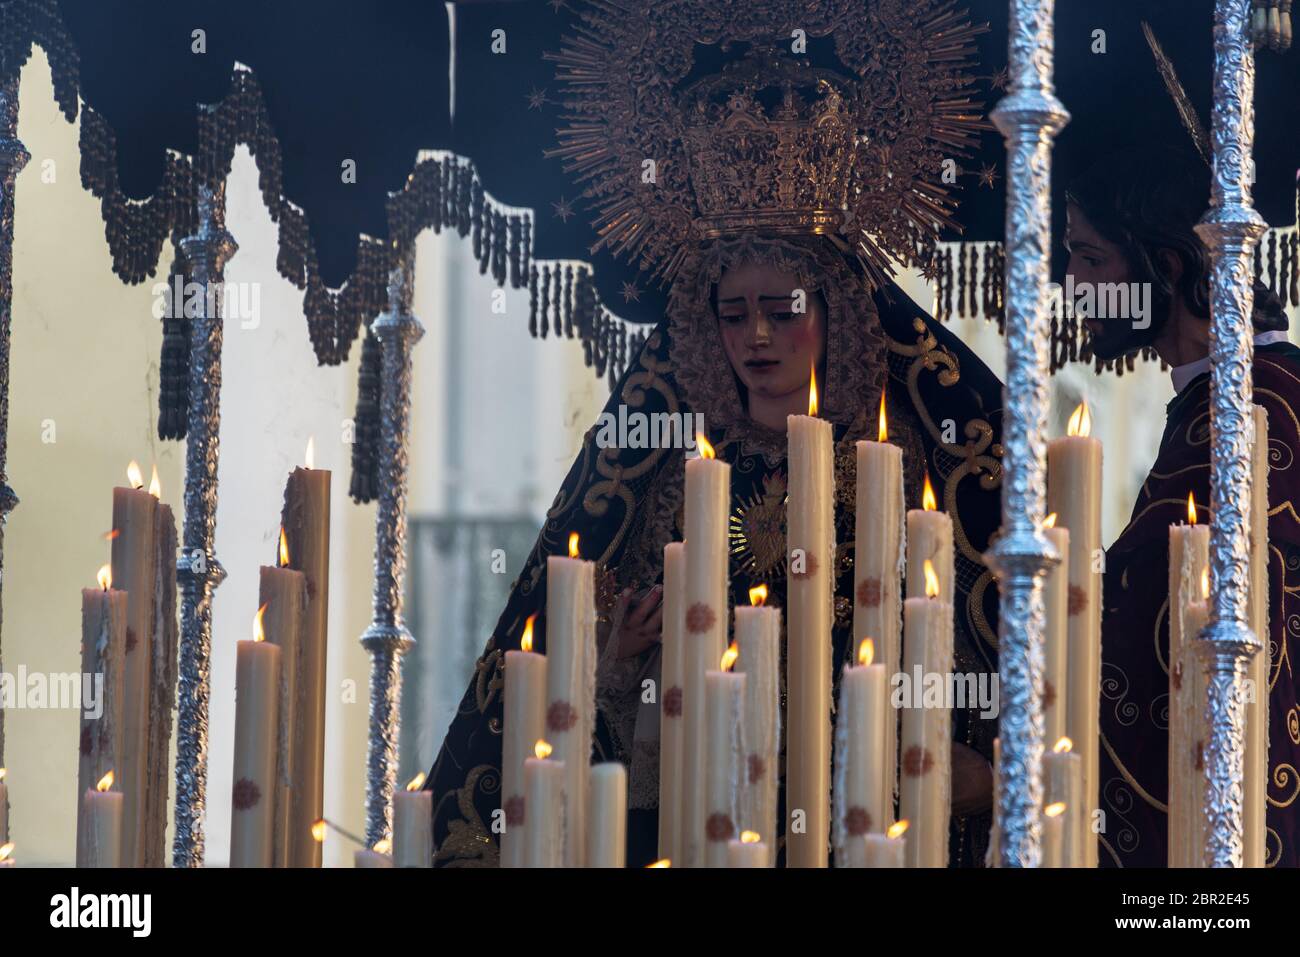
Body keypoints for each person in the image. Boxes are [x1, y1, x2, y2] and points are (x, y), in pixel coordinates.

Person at [425, 10, 1007, 867]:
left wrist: (960, 767)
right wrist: (613, 657)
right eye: (733, 315)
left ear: (837, 313)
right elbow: (584, 724)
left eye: (783, 312)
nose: (757, 340)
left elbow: (991, 673)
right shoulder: (668, 472)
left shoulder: (910, 464)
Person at [1066, 145, 1300, 867]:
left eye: (1089, 257)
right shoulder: (1243, 393)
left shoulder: (1251, 409)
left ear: (1165, 269)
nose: (1071, 283)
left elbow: (1166, 638)